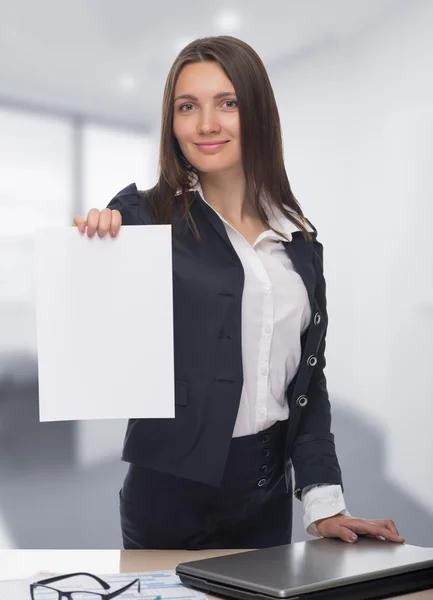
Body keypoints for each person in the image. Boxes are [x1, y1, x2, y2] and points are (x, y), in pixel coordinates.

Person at [72, 36, 404, 550]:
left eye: (227, 102)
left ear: (257, 111)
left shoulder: (299, 241)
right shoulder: (145, 217)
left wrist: (324, 503)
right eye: (188, 107)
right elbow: (96, 331)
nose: (206, 124)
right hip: (167, 502)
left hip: (266, 499)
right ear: (172, 122)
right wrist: (99, 246)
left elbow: (307, 384)